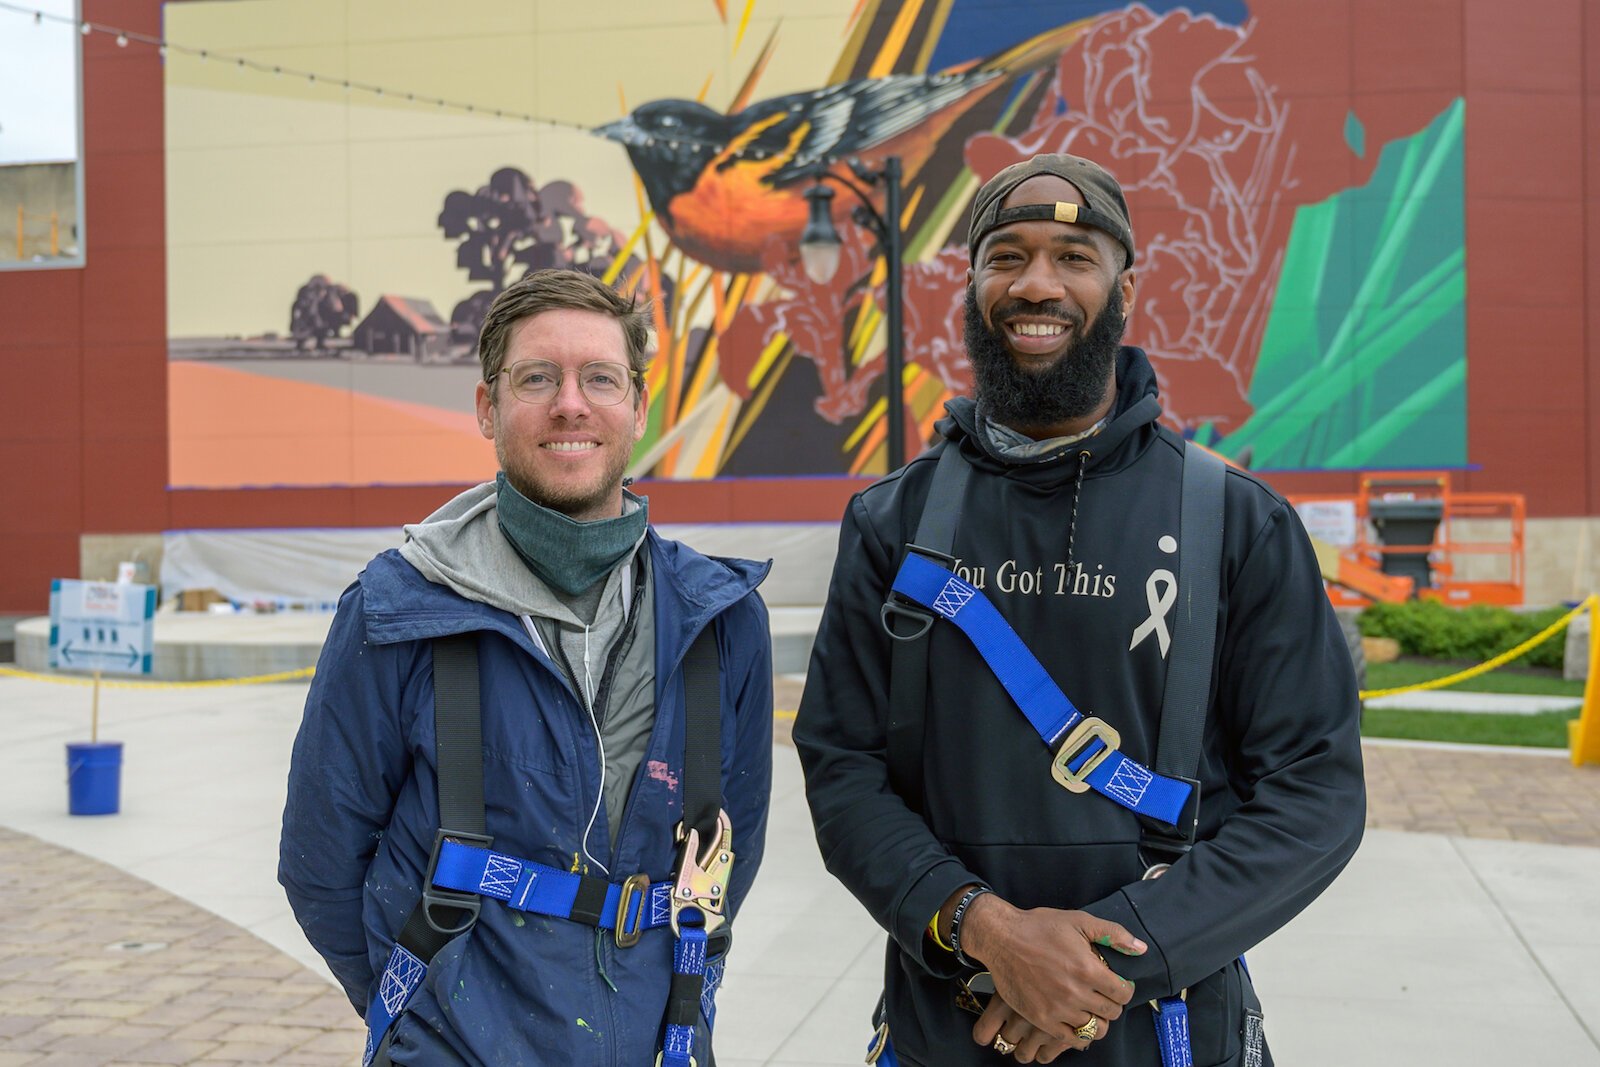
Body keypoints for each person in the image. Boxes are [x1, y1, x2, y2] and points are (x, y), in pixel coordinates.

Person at [794, 154, 1364, 1066]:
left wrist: (1095, 960)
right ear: (973, 284)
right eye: (1006, 256)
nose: (1038, 284)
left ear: (1125, 286)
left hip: (1169, 1029)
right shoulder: (891, 520)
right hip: (949, 1023)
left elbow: (1314, 794)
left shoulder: (1237, 522)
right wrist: (986, 929)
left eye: (1074, 255)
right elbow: (842, 768)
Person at [280, 268, 773, 1066]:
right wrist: (424, 1013)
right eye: (537, 378)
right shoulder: (398, 608)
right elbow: (320, 863)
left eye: (599, 378)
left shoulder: (721, 621)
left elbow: (729, 858)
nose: (570, 404)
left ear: (638, 410)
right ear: (488, 407)